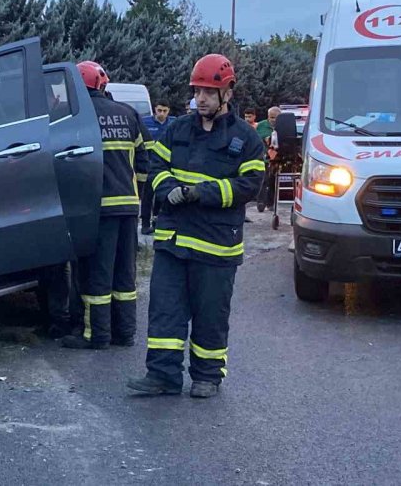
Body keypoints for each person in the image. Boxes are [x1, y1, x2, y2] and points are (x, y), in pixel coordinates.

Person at [126, 54, 265, 398]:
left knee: (210, 315)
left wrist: (200, 193)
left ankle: (207, 376)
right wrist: (168, 189)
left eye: (208, 91)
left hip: (216, 246)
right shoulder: (177, 129)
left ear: (227, 93)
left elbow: (250, 185)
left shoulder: (246, 139)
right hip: (173, 241)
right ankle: (162, 375)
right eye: (197, 90)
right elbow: (155, 164)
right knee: (165, 311)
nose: (200, 98)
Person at [62, 61, 143, 350]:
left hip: (97, 209)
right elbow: (144, 165)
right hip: (128, 207)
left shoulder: (77, 119)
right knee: (124, 272)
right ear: (102, 84)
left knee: (97, 273)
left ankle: (97, 335)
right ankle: (125, 333)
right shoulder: (129, 114)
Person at [140, 104, 176, 235]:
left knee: (161, 196)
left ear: (168, 111)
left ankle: (157, 222)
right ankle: (145, 224)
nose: (162, 113)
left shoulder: (173, 123)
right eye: (159, 110)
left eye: (165, 111)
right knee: (147, 196)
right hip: (149, 165)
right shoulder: (146, 122)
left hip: (166, 167)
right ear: (155, 110)